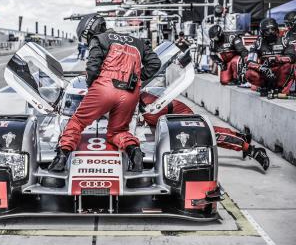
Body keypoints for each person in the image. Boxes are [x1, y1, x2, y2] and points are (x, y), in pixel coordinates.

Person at [48, 14, 161, 172]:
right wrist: (135, 79)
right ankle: (135, 152)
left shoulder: (99, 38)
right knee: (118, 132)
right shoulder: (137, 42)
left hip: (104, 89)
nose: (87, 40)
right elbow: (155, 63)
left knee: (77, 122)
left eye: (86, 36)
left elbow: (93, 68)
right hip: (129, 92)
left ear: (91, 29)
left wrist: (92, 87)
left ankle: (61, 159)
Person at [139, 92, 270, 171]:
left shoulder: (145, 106)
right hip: (170, 115)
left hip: (179, 115)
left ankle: (252, 150)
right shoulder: (138, 101)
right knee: (211, 132)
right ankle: (240, 137)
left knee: (208, 136)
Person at [245, 18, 296, 94]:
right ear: (262, 32)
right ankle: (263, 86)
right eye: (267, 31)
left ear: (277, 30)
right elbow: (250, 61)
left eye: (273, 30)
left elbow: (292, 57)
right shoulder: (258, 43)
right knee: (249, 73)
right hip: (264, 72)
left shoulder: (284, 40)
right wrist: (261, 68)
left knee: (289, 66)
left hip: (279, 71)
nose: (271, 33)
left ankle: (279, 87)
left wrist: (277, 59)